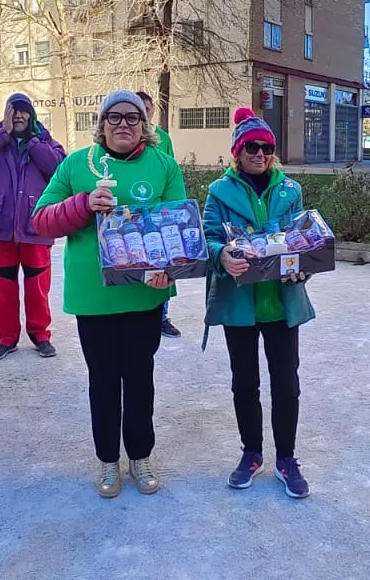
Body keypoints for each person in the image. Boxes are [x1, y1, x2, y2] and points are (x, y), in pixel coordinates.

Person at [34, 89, 186, 498]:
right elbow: (41, 222)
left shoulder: (164, 166)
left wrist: (166, 272)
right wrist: (82, 205)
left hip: (143, 296)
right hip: (94, 297)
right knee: (102, 380)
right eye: (114, 118)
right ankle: (107, 460)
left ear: (144, 125)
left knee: (140, 379)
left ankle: (140, 455)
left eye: (132, 118)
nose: (123, 124)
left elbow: (177, 230)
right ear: (100, 125)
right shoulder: (75, 165)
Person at [202, 108, 316, 499]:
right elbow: (208, 237)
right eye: (252, 146)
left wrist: (303, 267)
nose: (260, 154)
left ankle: (286, 458)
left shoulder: (291, 190)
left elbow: (305, 238)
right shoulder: (219, 192)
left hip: (282, 304)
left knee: (287, 385)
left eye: (267, 147)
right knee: (244, 382)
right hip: (241, 305)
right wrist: (221, 256)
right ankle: (251, 453)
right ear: (238, 151)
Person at [0, 93, 65, 362]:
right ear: (6, 114)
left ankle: (40, 335)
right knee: (3, 289)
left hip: (35, 227)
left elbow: (58, 168)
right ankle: (6, 339)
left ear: (32, 115)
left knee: (38, 288)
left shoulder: (45, 141)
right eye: (14, 111)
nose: (19, 116)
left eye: (23, 111)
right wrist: (2, 135)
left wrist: (33, 143)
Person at [136, 90, 183, 340]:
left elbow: (170, 171)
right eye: (139, 108)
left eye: (148, 108)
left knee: (163, 265)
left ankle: (162, 316)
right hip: (135, 212)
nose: (144, 112)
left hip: (159, 213)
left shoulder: (163, 138)